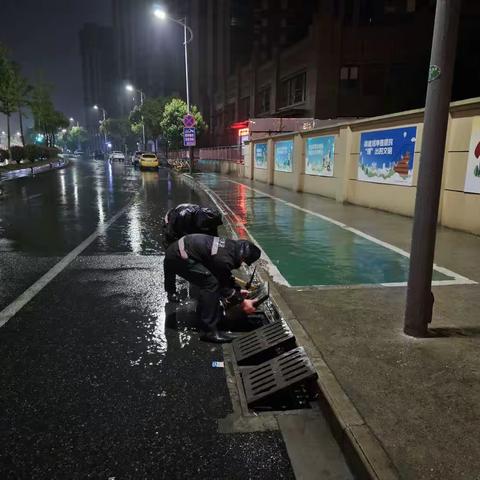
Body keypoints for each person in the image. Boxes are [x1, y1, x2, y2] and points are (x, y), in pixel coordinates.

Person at [164, 234, 261, 343]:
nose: (242, 263)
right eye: (244, 261)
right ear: (243, 257)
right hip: (177, 257)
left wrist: (237, 291)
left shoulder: (231, 247)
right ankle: (208, 332)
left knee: (210, 280)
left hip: (181, 249)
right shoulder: (224, 259)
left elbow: (224, 275)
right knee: (211, 284)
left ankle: (204, 315)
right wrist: (242, 303)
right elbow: (223, 285)